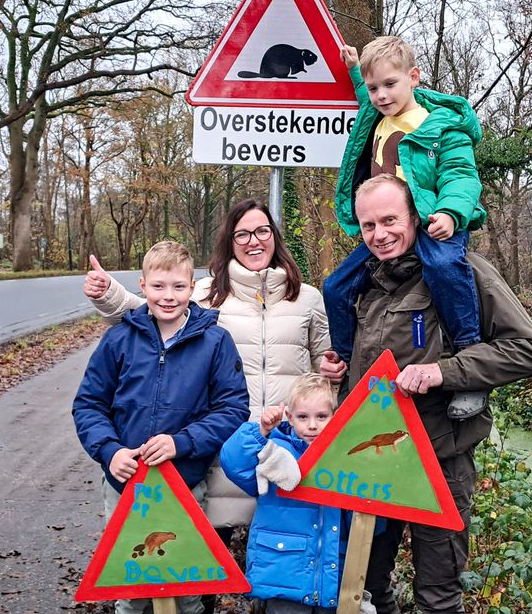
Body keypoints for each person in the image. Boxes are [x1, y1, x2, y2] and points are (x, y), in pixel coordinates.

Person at [321, 175, 532, 614]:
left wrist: (443, 372)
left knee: (438, 597)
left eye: (390, 220)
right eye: (369, 225)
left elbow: (527, 350)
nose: (380, 235)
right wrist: (338, 372)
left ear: (415, 216)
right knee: (366, 589)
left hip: (439, 460)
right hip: (374, 463)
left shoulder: (461, 271)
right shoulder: (363, 283)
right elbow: (365, 365)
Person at [83, 200, 333, 537]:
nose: (253, 241)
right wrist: (108, 293)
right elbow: (150, 312)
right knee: (196, 546)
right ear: (230, 241)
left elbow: (323, 366)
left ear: (274, 235)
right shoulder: (207, 292)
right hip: (225, 449)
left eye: (262, 231)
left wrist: (333, 372)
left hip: (288, 442)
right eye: (242, 234)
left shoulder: (307, 298)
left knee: (284, 537)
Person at [72, 240, 249, 614]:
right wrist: (109, 451)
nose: (169, 296)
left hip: (185, 483)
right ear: (142, 285)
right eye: (158, 286)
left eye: (178, 287)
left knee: (186, 587)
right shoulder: (118, 339)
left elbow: (232, 407)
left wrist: (181, 442)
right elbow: (89, 404)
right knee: (132, 588)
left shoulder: (215, 341)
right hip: (124, 485)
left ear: (192, 287)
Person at [326, 35, 488, 420]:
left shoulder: (441, 126)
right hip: (389, 230)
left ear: (413, 77)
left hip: (433, 222)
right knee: (335, 287)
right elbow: (365, 96)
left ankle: (470, 360)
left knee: (444, 267)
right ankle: (345, 363)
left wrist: (450, 213)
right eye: (374, 88)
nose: (381, 95)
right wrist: (354, 69)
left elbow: (461, 175)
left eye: (390, 84)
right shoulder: (376, 117)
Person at [219, 374, 358, 614]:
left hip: (330, 575)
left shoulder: (344, 458)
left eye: (321, 416)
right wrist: (261, 431)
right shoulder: (274, 449)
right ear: (290, 417)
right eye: (303, 417)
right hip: (281, 572)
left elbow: (359, 518)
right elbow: (233, 461)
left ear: (334, 416)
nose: (312, 425)